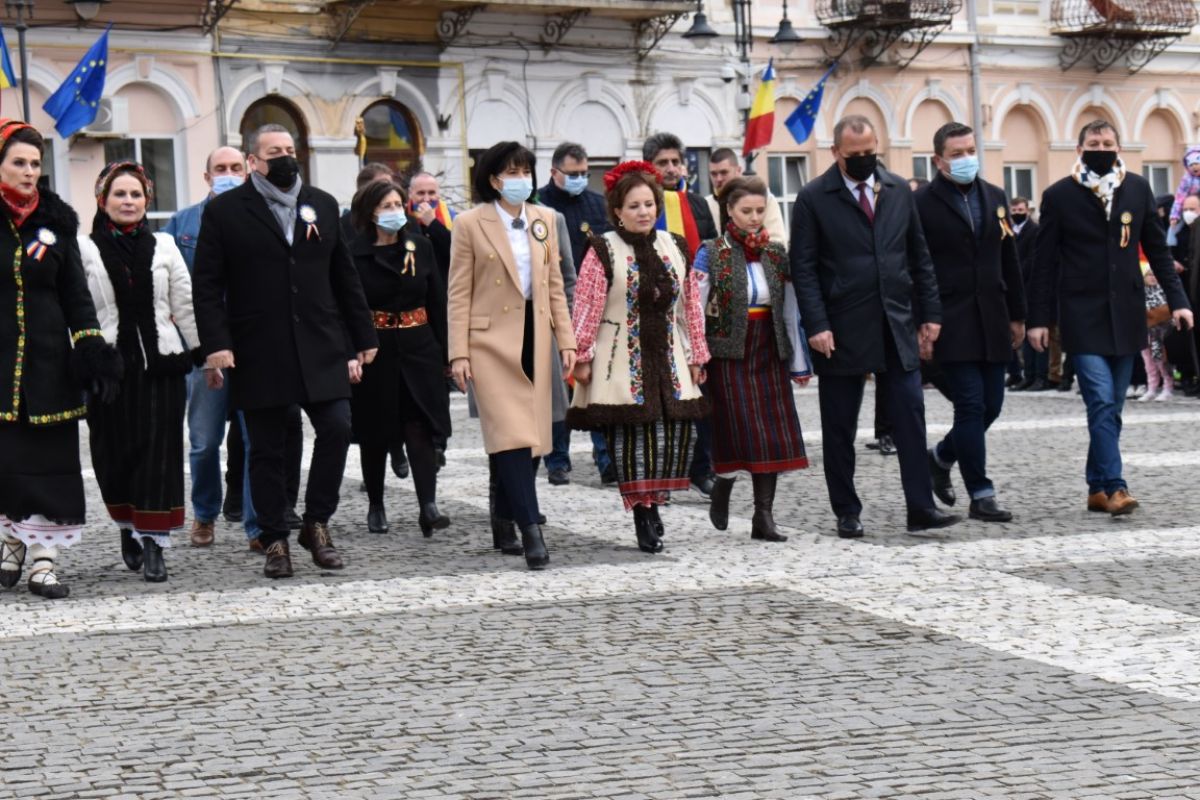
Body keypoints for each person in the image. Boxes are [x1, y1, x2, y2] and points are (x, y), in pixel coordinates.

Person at [193, 124, 378, 579]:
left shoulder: (322, 204)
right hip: (260, 346)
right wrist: (217, 344)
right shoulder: (226, 211)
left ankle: (317, 523)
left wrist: (363, 335)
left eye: (290, 149)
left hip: (320, 341)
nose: (285, 158)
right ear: (253, 161)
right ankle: (274, 538)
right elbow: (207, 284)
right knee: (268, 448)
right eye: (274, 152)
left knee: (337, 427)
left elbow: (344, 276)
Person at [791, 114, 959, 538]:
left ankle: (921, 507)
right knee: (840, 425)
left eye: (870, 151)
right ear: (836, 152)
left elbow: (919, 256)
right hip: (841, 327)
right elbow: (804, 268)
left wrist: (931, 313)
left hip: (895, 321)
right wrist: (817, 324)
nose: (865, 159)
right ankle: (847, 510)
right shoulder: (814, 197)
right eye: (855, 154)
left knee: (910, 415)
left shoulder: (898, 190)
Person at [1028, 119, 1193, 516]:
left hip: (1126, 314)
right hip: (1081, 314)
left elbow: (1158, 251)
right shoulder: (1059, 195)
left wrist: (1179, 301)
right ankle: (1116, 487)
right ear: (1079, 148)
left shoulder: (1136, 188)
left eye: (1107, 143)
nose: (1100, 149)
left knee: (1112, 407)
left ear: (1118, 147)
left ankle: (1096, 487)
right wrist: (1038, 319)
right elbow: (1043, 264)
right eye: (1094, 143)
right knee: (1101, 400)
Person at [0, 119, 121, 600]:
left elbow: (76, 296)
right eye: (19, 162)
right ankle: (12, 541)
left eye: (36, 163)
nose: (30, 171)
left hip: (51, 366)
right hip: (1, 367)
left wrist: (92, 351)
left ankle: (45, 562)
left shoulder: (57, 223)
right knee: (8, 464)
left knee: (51, 466)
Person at [568, 160, 710, 553]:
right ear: (618, 210)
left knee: (670, 436)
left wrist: (696, 353)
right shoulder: (602, 249)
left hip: (668, 355)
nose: (643, 212)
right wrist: (582, 354)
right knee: (632, 441)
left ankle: (655, 501)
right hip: (620, 359)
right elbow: (587, 305)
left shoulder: (674, 245)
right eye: (634, 206)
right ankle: (642, 515)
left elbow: (689, 306)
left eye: (649, 204)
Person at [447, 141, 576, 570]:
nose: (520, 179)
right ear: (494, 179)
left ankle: (504, 510)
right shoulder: (469, 223)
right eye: (512, 172)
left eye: (525, 171)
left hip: (536, 335)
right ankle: (530, 528)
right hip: (489, 342)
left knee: (534, 436)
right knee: (510, 435)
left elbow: (554, 285)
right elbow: (458, 292)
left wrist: (567, 340)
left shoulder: (545, 219)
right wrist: (458, 353)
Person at [81, 161, 200, 583]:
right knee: (111, 455)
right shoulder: (83, 249)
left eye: (136, 194)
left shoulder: (165, 246)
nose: (128, 201)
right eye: (120, 194)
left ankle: (153, 543)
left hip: (160, 367)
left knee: (159, 456)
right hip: (108, 372)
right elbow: (76, 309)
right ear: (103, 200)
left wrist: (205, 353)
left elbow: (184, 302)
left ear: (147, 200)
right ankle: (126, 523)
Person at [914, 122, 1026, 523]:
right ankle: (981, 493)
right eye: (957, 154)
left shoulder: (994, 196)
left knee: (992, 405)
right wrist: (924, 319)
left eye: (970, 151)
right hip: (950, 318)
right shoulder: (921, 203)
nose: (966, 159)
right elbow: (918, 265)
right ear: (938, 160)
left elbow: (1009, 258)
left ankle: (940, 456)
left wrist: (1018, 314)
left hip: (993, 315)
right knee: (971, 405)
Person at [696, 176, 809, 542]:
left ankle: (763, 515)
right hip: (728, 353)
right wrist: (696, 356)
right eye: (746, 211)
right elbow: (694, 307)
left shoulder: (775, 254)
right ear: (729, 210)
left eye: (760, 210)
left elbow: (790, 309)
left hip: (768, 348)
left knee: (771, 433)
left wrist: (798, 361)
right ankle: (723, 484)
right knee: (736, 428)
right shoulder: (711, 252)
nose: (755, 217)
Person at [164, 145, 265, 549]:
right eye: (220, 168)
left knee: (257, 439)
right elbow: (164, 278)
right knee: (204, 442)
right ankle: (205, 513)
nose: (228, 174)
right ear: (207, 177)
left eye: (235, 167)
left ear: (248, 172)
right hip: (203, 349)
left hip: (253, 346)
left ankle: (258, 525)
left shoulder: (261, 215)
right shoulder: (183, 222)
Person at [348, 179, 451, 535]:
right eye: (386, 206)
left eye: (397, 205)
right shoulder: (354, 254)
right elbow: (349, 306)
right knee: (375, 430)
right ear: (370, 213)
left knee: (419, 425)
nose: (394, 212)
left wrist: (448, 353)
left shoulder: (419, 247)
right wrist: (352, 351)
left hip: (418, 347)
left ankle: (428, 506)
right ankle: (376, 504)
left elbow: (437, 300)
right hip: (376, 350)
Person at [537, 141, 617, 487]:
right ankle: (557, 459)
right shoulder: (538, 206)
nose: (580, 178)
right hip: (554, 305)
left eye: (584, 172)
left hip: (594, 307)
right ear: (554, 172)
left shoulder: (597, 204)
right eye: (573, 174)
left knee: (595, 383)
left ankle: (606, 459)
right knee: (557, 387)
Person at [643, 132, 717, 497]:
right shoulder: (641, 204)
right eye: (663, 163)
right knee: (658, 400)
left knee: (697, 392)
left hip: (695, 312)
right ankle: (661, 475)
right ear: (649, 167)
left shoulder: (698, 204)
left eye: (676, 162)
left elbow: (714, 250)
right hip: (653, 313)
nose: (671, 169)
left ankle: (701, 468)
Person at [705, 148, 786, 244]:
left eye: (724, 172)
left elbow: (778, 241)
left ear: (738, 170)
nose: (718, 179)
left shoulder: (765, 199)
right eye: (714, 174)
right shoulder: (705, 204)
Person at [1009, 197, 1049, 391]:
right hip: (1017, 289)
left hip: (1031, 286)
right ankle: (1028, 375)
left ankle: (1041, 376)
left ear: (1028, 210)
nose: (1017, 213)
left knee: (1037, 332)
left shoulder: (1034, 231)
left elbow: (1033, 260)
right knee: (1023, 334)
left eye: (1020, 210)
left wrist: (1014, 273)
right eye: (1014, 210)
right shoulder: (1009, 230)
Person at [407, 171, 453, 281]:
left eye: (431, 193)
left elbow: (456, 251)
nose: (426, 199)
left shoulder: (452, 216)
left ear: (438, 194)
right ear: (410, 193)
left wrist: (432, 223)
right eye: (421, 193)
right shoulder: (402, 217)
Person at [1168, 146, 1200, 224]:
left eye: (1196, 163)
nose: (1194, 167)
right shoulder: (1187, 180)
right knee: (1175, 228)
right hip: (1191, 208)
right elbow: (1179, 198)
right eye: (1191, 165)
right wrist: (1174, 215)